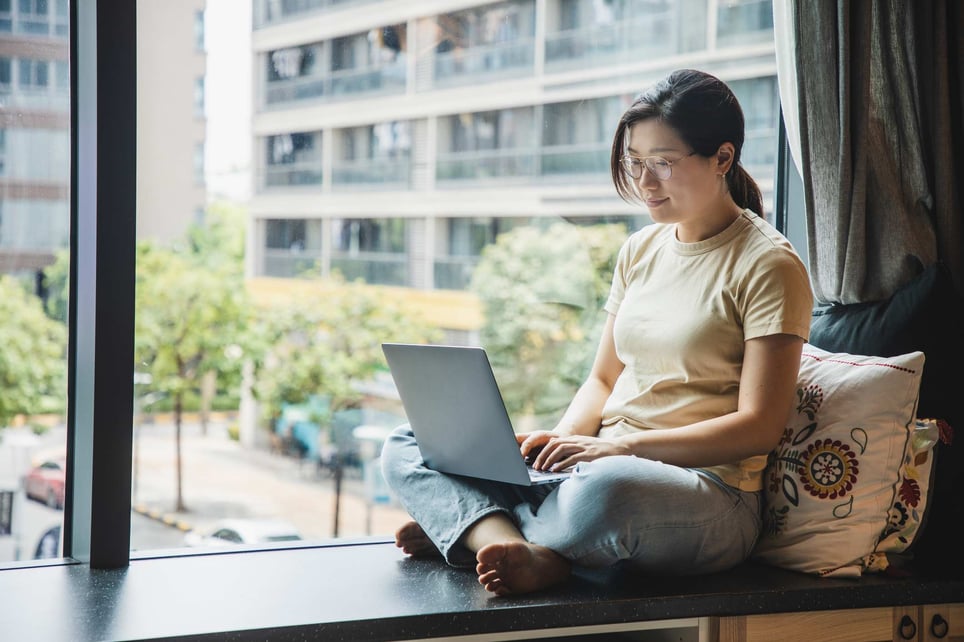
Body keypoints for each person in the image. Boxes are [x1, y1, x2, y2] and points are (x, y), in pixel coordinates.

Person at [380, 68, 814, 597]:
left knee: (607, 495)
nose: (644, 182)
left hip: (705, 493)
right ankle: (512, 541)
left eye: (663, 164)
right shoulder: (641, 250)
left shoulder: (769, 264)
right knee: (408, 442)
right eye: (635, 163)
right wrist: (556, 445)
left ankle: (470, 526)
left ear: (722, 158)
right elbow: (602, 380)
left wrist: (622, 449)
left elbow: (758, 428)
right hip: (594, 464)